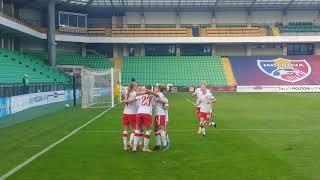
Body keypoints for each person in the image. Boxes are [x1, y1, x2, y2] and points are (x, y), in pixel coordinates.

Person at [124, 88, 159, 152]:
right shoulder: (153, 95)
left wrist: (126, 101)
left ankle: (134, 147)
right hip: (147, 113)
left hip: (139, 113)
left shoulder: (141, 95)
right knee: (148, 130)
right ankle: (145, 147)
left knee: (137, 130)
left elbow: (133, 99)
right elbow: (157, 95)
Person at [153, 84, 169, 151]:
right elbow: (166, 104)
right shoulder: (162, 95)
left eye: (157, 88)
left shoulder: (159, 94)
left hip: (160, 114)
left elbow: (161, 101)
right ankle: (158, 145)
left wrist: (164, 102)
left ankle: (165, 145)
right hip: (158, 114)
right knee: (156, 130)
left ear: (159, 89)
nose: (155, 89)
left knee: (161, 130)